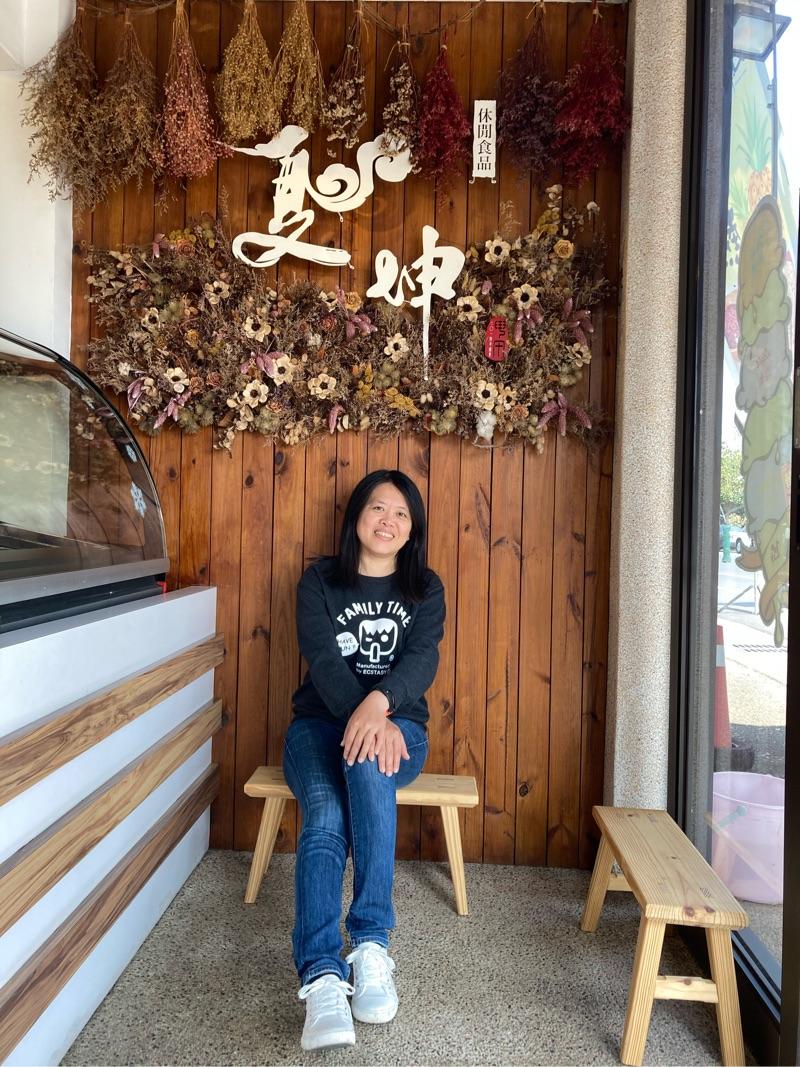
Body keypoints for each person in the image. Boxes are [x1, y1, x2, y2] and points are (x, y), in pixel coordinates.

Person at [283, 469, 445, 1051]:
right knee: (326, 816)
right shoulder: (320, 581)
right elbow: (324, 662)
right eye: (378, 508)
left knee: (370, 758)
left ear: (412, 529)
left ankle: (371, 944)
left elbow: (422, 660)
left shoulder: (424, 587)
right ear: (356, 515)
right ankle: (323, 975)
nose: (388, 521)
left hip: (401, 730)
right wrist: (361, 714)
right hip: (317, 727)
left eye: (402, 514)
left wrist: (379, 708)